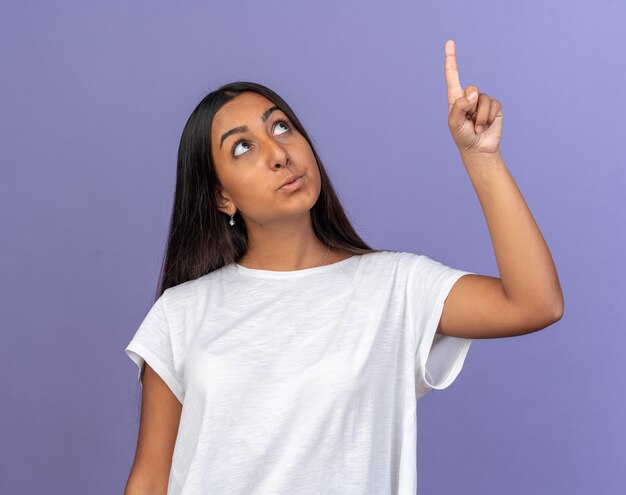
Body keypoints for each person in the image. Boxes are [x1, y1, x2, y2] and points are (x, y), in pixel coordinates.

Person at [123, 41, 563, 495]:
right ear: (221, 197)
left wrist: (482, 157)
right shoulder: (181, 313)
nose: (279, 153)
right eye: (241, 148)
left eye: (281, 126)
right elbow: (151, 480)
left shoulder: (394, 287)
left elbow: (535, 303)